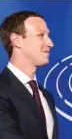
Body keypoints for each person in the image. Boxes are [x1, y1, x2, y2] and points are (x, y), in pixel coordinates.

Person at [0, 11, 58, 139]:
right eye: (41, 35)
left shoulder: (47, 96)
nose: (50, 43)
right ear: (17, 41)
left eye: (48, 35)